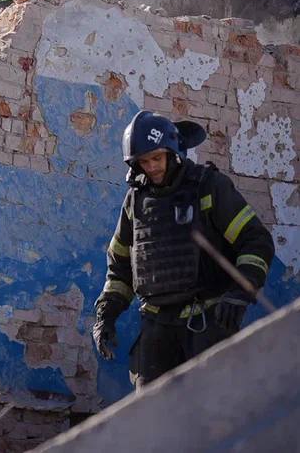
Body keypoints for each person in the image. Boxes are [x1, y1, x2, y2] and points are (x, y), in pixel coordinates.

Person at [92, 111, 274, 388]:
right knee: (151, 410)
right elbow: (120, 267)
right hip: (156, 329)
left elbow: (255, 241)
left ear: (173, 153)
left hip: (206, 324)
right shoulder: (135, 201)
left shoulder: (208, 187)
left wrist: (240, 293)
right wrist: (106, 315)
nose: (151, 167)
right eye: (144, 161)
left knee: (213, 409)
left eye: (157, 158)